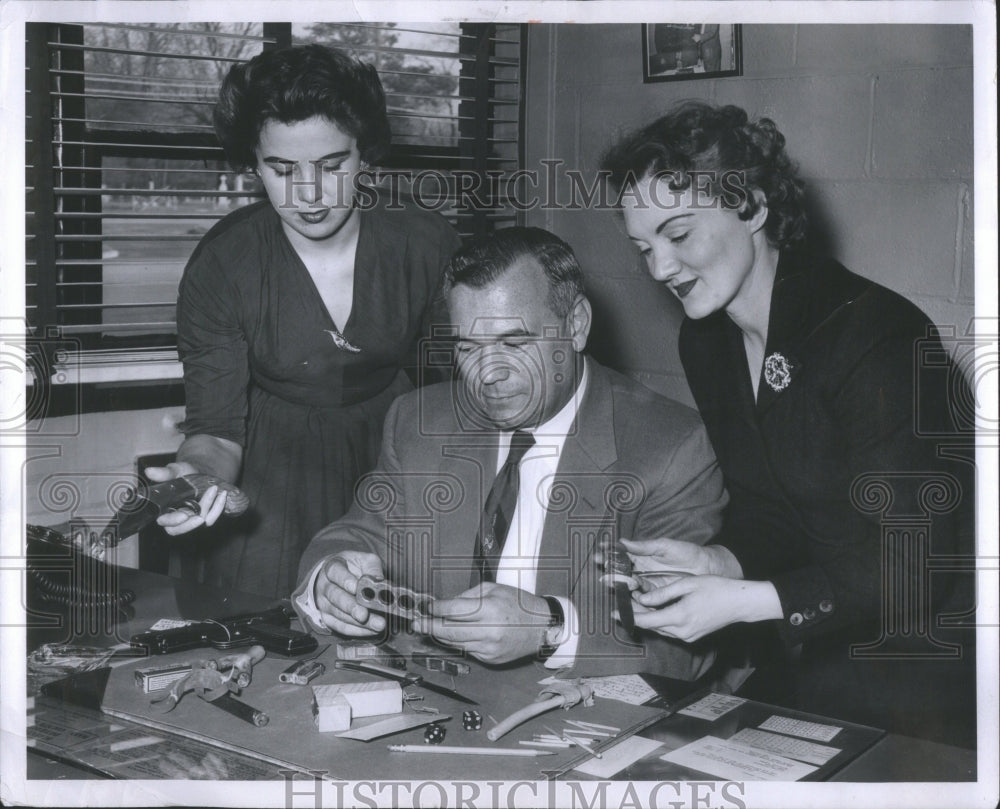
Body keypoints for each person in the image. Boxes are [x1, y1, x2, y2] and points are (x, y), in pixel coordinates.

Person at [599, 101, 976, 746]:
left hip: (916, 662)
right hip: (808, 651)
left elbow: (910, 567)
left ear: (751, 206)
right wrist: (717, 559)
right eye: (643, 247)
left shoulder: (877, 335)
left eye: (679, 234)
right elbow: (774, 511)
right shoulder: (708, 343)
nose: (660, 268)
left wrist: (741, 600)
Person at [292, 227, 728, 678]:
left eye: (514, 343)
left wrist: (551, 627)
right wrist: (330, 579)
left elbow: (680, 655)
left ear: (575, 325)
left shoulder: (673, 448)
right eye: (467, 346)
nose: (488, 374)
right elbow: (357, 537)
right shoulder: (418, 421)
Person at [145, 44, 460, 598]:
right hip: (273, 478)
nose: (310, 193)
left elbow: (454, 398)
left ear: (366, 156)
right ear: (253, 163)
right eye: (282, 169)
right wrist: (201, 477)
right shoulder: (224, 265)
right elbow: (215, 431)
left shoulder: (426, 243)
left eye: (333, 165)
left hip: (394, 457)